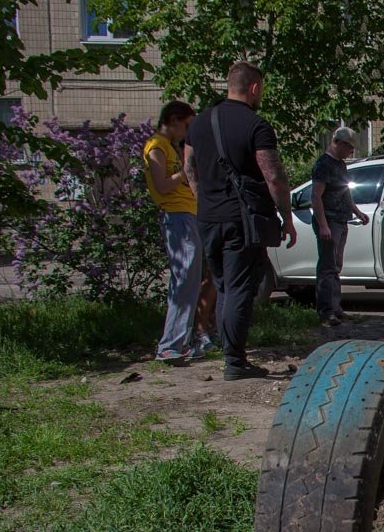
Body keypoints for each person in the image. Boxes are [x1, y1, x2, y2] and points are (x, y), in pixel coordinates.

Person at [184, 61, 297, 381]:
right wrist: (286, 217)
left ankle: (231, 355)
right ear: (254, 87)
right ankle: (234, 362)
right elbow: (273, 177)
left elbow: (189, 168)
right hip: (240, 220)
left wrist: (204, 202)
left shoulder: (199, 123)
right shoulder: (256, 125)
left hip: (208, 217)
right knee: (238, 289)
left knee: (222, 287)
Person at [144, 100, 217, 363]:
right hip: (177, 217)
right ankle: (170, 345)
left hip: (187, 216)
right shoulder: (156, 147)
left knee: (188, 280)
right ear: (173, 119)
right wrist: (185, 174)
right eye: (186, 125)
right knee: (184, 281)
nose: (187, 132)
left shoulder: (169, 147)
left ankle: (179, 342)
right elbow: (162, 186)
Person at [310, 126, 370, 326]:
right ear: (340, 144)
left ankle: (336, 308)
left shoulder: (341, 165)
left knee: (336, 266)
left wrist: (357, 211)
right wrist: (323, 226)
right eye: (350, 149)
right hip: (328, 220)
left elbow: (345, 192)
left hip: (341, 220)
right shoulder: (323, 164)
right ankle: (326, 311)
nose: (351, 153)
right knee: (327, 267)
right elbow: (316, 197)